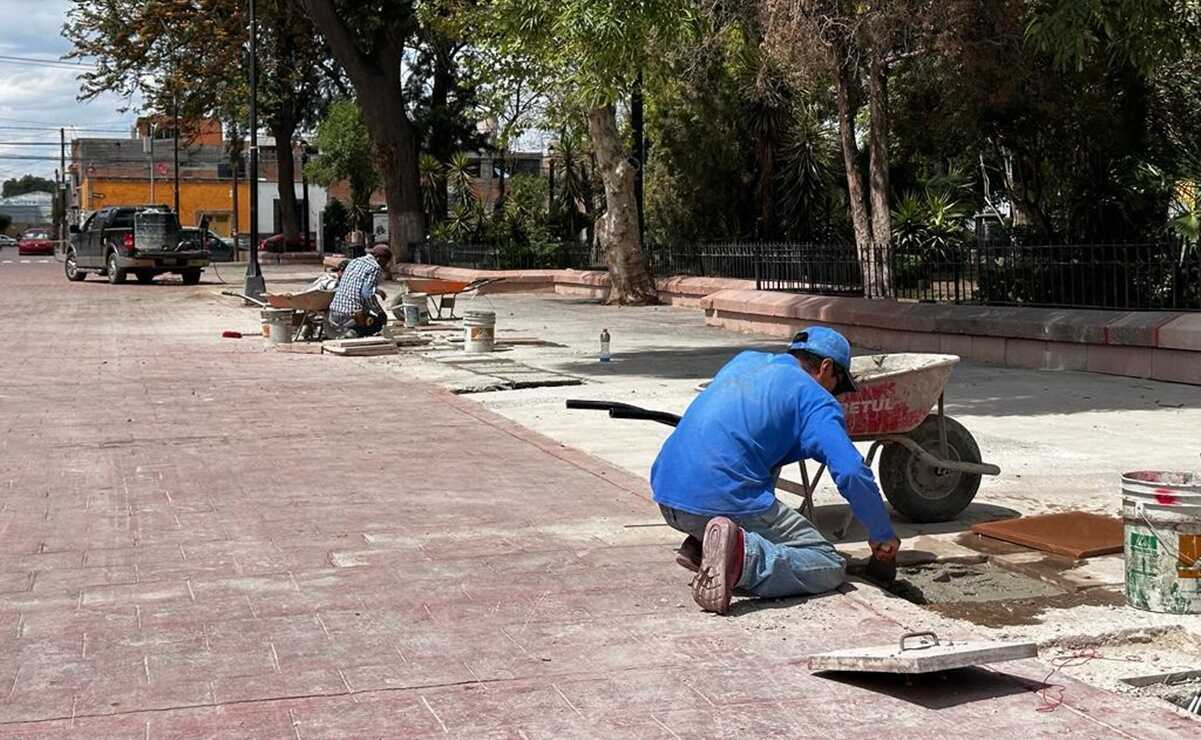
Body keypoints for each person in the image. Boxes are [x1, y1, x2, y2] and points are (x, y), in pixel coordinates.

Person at [650, 326, 901, 615]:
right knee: (828, 564)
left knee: (761, 457)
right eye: (839, 385)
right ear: (825, 367)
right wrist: (882, 534)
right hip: (716, 498)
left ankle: (702, 545)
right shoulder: (815, 397)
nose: (837, 395)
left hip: (666, 494)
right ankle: (738, 560)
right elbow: (852, 471)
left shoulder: (745, 361)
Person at [327, 245, 392, 338]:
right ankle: (353, 332)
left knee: (368, 316)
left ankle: (351, 330)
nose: (386, 265)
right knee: (377, 324)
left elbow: (355, 283)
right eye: (386, 262)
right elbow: (367, 294)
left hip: (334, 313)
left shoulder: (355, 261)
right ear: (379, 258)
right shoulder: (375, 267)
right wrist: (380, 313)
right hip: (350, 315)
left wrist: (376, 291)